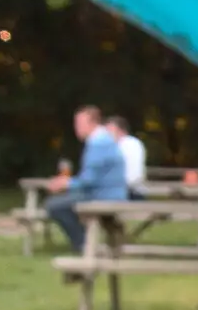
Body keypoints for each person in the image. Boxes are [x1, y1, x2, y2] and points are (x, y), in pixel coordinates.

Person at [44, 105, 128, 254]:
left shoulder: (98, 143)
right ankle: (86, 240)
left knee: (54, 206)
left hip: (104, 195)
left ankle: (83, 244)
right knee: (62, 202)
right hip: (110, 192)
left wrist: (65, 183)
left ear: (93, 124)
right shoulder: (103, 139)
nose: (77, 128)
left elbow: (89, 181)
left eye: (80, 124)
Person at [107, 115, 147, 195]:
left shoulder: (129, 144)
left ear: (120, 130)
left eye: (110, 130)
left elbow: (133, 176)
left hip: (131, 191)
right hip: (124, 189)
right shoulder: (121, 144)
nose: (107, 134)